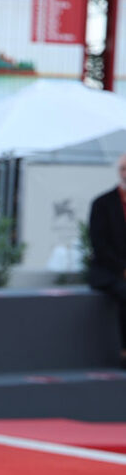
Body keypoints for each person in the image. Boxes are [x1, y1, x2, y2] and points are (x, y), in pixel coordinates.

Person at [88, 154, 126, 360]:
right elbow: (99, 244)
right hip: (108, 271)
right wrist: (121, 268)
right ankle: (123, 351)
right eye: (123, 169)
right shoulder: (102, 204)